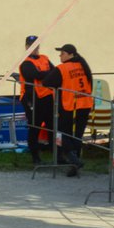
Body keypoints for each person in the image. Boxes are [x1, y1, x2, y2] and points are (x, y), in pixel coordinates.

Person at [42, 43, 94, 177]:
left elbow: (46, 82)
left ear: (71, 55)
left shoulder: (62, 68)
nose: (60, 55)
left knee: (61, 133)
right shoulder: (84, 66)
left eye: (63, 53)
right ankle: (74, 164)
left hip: (71, 105)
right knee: (77, 136)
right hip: (85, 104)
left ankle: (73, 159)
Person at [18, 35, 54, 165]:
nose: (34, 48)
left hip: (48, 97)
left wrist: (47, 74)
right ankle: (35, 157)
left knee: (52, 126)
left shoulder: (45, 58)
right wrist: (48, 73)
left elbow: (54, 71)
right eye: (31, 45)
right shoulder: (25, 62)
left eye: (36, 45)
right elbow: (34, 75)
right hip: (32, 98)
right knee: (35, 127)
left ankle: (56, 155)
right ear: (27, 47)